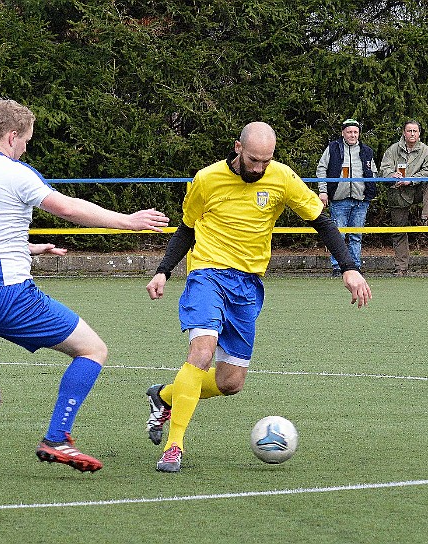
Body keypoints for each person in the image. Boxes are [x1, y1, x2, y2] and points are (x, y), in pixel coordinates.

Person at [0, 98, 169, 474]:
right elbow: (68, 208)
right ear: (12, 137)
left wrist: (29, 247)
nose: (26, 147)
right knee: (92, 350)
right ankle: (57, 436)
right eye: (25, 139)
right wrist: (128, 220)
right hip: (8, 295)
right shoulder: (16, 172)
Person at [144, 122, 372, 473]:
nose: (259, 168)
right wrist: (163, 269)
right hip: (206, 273)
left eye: (266, 161)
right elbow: (187, 229)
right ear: (238, 148)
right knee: (202, 350)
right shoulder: (206, 179)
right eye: (253, 160)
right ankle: (175, 447)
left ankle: (164, 396)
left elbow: (322, 221)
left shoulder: (282, 178)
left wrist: (348, 267)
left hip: (248, 284)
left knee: (230, 382)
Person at [315, 119, 377, 276]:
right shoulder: (333, 148)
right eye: (349, 132)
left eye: (355, 132)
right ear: (343, 132)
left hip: (360, 200)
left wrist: (369, 191)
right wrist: (323, 191)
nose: (353, 135)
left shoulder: (366, 151)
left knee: (356, 235)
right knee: (338, 235)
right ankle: (338, 267)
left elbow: (373, 172)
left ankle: (355, 266)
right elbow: (321, 169)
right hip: (338, 198)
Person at [379, 120, 428, 276]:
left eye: (415, 131)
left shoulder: (427, 151)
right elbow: (383, 168)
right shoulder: (392, 150)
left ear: (419, 133)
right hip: (398, 192)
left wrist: (411, 179)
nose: (412, 134)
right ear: (404, 133)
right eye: (409, 131)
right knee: (399, 230)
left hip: (417, 189)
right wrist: (392, 175)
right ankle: (401, 268)